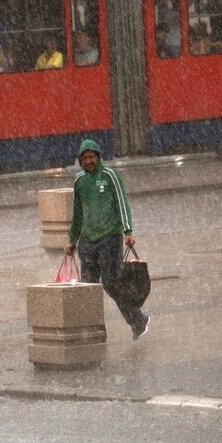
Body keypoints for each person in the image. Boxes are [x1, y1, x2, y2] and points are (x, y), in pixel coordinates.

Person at [65, 139, 150, 340]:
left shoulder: (110, 176)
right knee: (89, 289)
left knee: (111, 284)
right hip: (87, 242)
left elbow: (123, 204)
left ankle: (137, 320)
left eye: (92, 157)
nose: (89, 161)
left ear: (98, 158)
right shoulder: (79, 181)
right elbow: (77, 213)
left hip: (109, 239)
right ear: (80, 161)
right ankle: (96, 333)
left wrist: (127, 231)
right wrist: (72, 239)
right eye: (85, 158)